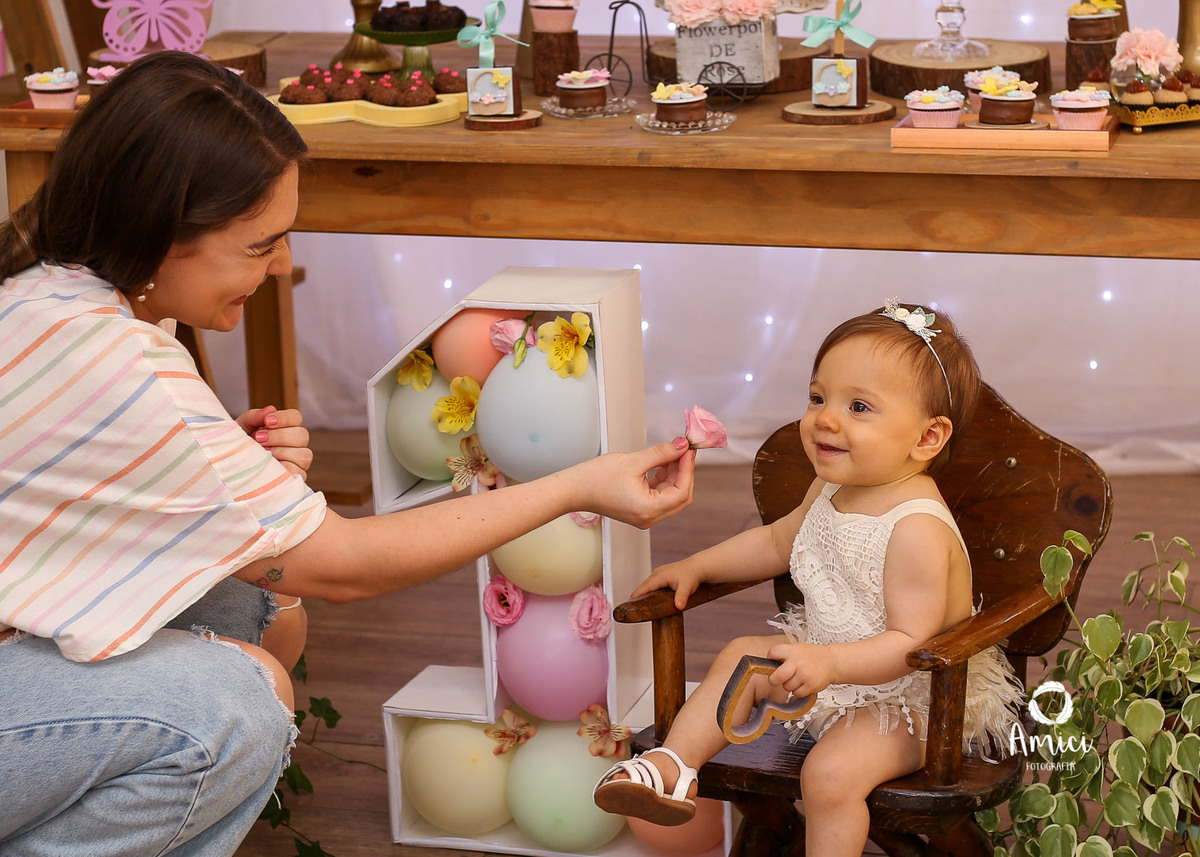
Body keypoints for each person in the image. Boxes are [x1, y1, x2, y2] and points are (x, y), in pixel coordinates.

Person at [0, 51, 695, 857]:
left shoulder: (49, 291)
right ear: (160, 231)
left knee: (256, 609)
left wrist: (228, 478)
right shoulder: (119, 361)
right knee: (238, 704)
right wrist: (581, 483)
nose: (285, 266)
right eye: (263, 244)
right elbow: (346, 566)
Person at [593, 301, 1023, 856]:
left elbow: (912, 646)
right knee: (740, 659)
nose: (825, 418)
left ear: (926, 438)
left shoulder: (916, 526)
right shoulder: (831, 487)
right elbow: (776, 542)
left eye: (859, 406)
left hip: (918, 698)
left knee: (830, 775)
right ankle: (670, 767)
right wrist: (697, 566)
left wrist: (830, 663)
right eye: (818, 397)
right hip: (830, 663)